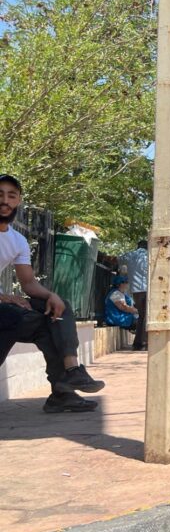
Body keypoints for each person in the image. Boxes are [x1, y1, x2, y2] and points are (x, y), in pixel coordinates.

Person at [0, 174, 105, 413]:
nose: (5, 201)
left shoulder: (17, 241)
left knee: (56, 310)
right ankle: (63, 391)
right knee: (22, 318)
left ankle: (70, 374)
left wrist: (51, 296)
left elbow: (27, 283)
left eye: (11, 196)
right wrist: (4, 297)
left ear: (18, 201)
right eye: (0, 195)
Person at [119, 240, 148, 350]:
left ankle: (138, 343)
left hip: (136, 290)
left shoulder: (131, 255)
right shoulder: (151, 254)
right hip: (148, 288)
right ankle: (144, 342)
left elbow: (119, 259)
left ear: (138, 246)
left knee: (142, 315)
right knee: (146, 315)